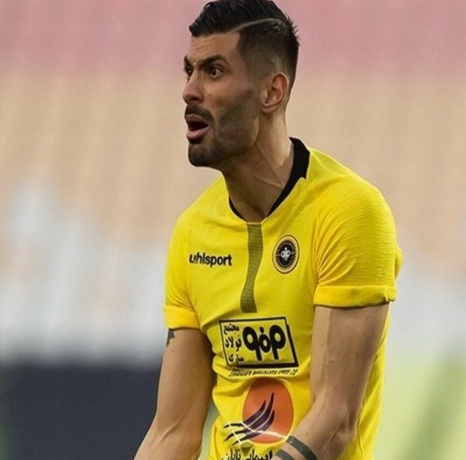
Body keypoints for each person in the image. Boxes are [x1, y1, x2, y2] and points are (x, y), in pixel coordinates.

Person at [135, 1, 402, 459]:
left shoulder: (348, 211)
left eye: (214, 71)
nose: (189, 91)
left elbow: (334, 419)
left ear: (272, 92)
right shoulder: (193, 232)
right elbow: (172, 433)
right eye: (189, 71)